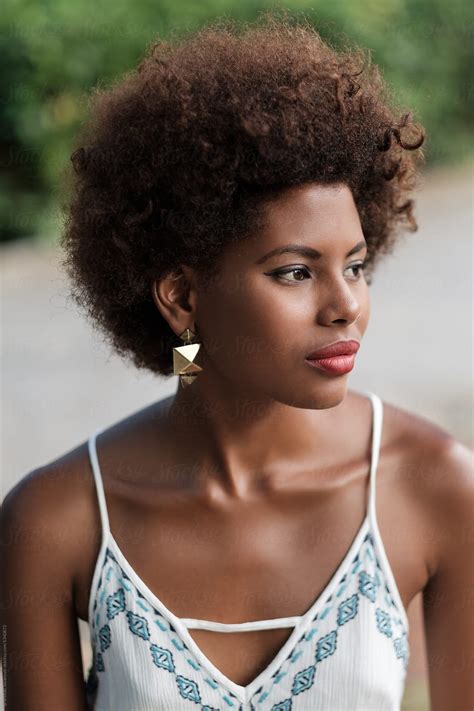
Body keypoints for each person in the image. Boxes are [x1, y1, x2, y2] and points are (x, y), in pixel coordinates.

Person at [1, 10, 473, 711]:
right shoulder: (57, 520)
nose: (345, 304)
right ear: (182, 295)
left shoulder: (434, 485)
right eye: (293, 272)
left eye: (357, 263)